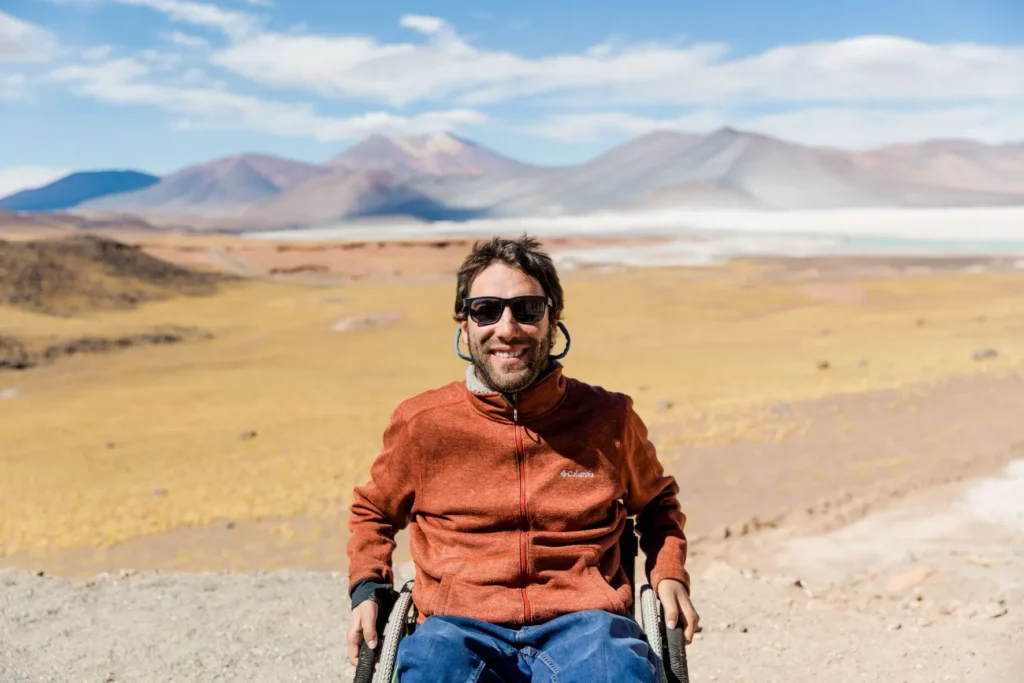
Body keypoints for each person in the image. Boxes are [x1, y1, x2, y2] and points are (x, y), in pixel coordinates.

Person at [346, 234, 698, 682]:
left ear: (553, 321)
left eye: (527, 310)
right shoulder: (424, 425)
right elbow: (373, 511)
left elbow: (657, 505)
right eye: (486, 310)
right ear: (464, 324)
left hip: (588, 624)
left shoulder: (609, 418)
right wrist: (367, 589)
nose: (507, 328)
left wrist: (668, 574)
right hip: (455, 626)